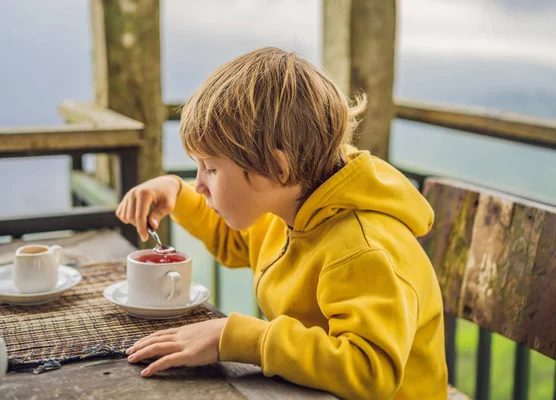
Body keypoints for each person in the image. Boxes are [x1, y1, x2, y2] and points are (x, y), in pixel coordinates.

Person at [117, 47, 447, 399]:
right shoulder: (288, 206)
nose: (198, 183)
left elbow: (370, 371)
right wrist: (176, 193)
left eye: (210, 169)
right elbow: (236, 242)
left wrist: (242, 338)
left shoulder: (362, 250)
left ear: (276, 168)